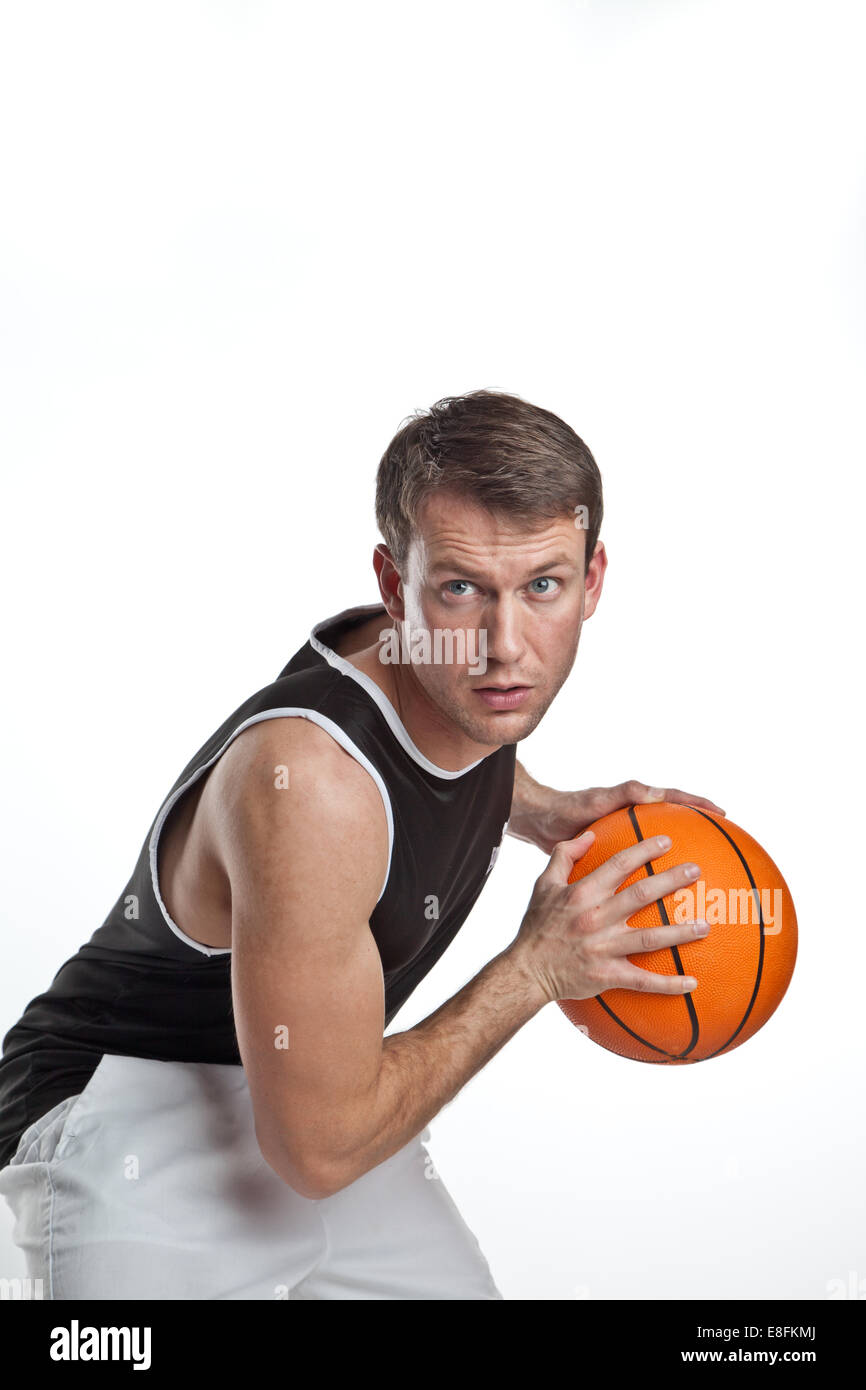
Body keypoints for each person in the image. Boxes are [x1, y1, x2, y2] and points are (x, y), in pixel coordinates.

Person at [0, 388, 723, 1299]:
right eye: (462, 587)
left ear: (595, 576)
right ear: (396, 586)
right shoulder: (314, 790)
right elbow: (320, 1147)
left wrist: (535, 805)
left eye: (543, 585)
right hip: (134, 1115)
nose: (507, 648)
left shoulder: (444, 671)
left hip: (315, 1076)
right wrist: (536, 969)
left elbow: (439, 754)